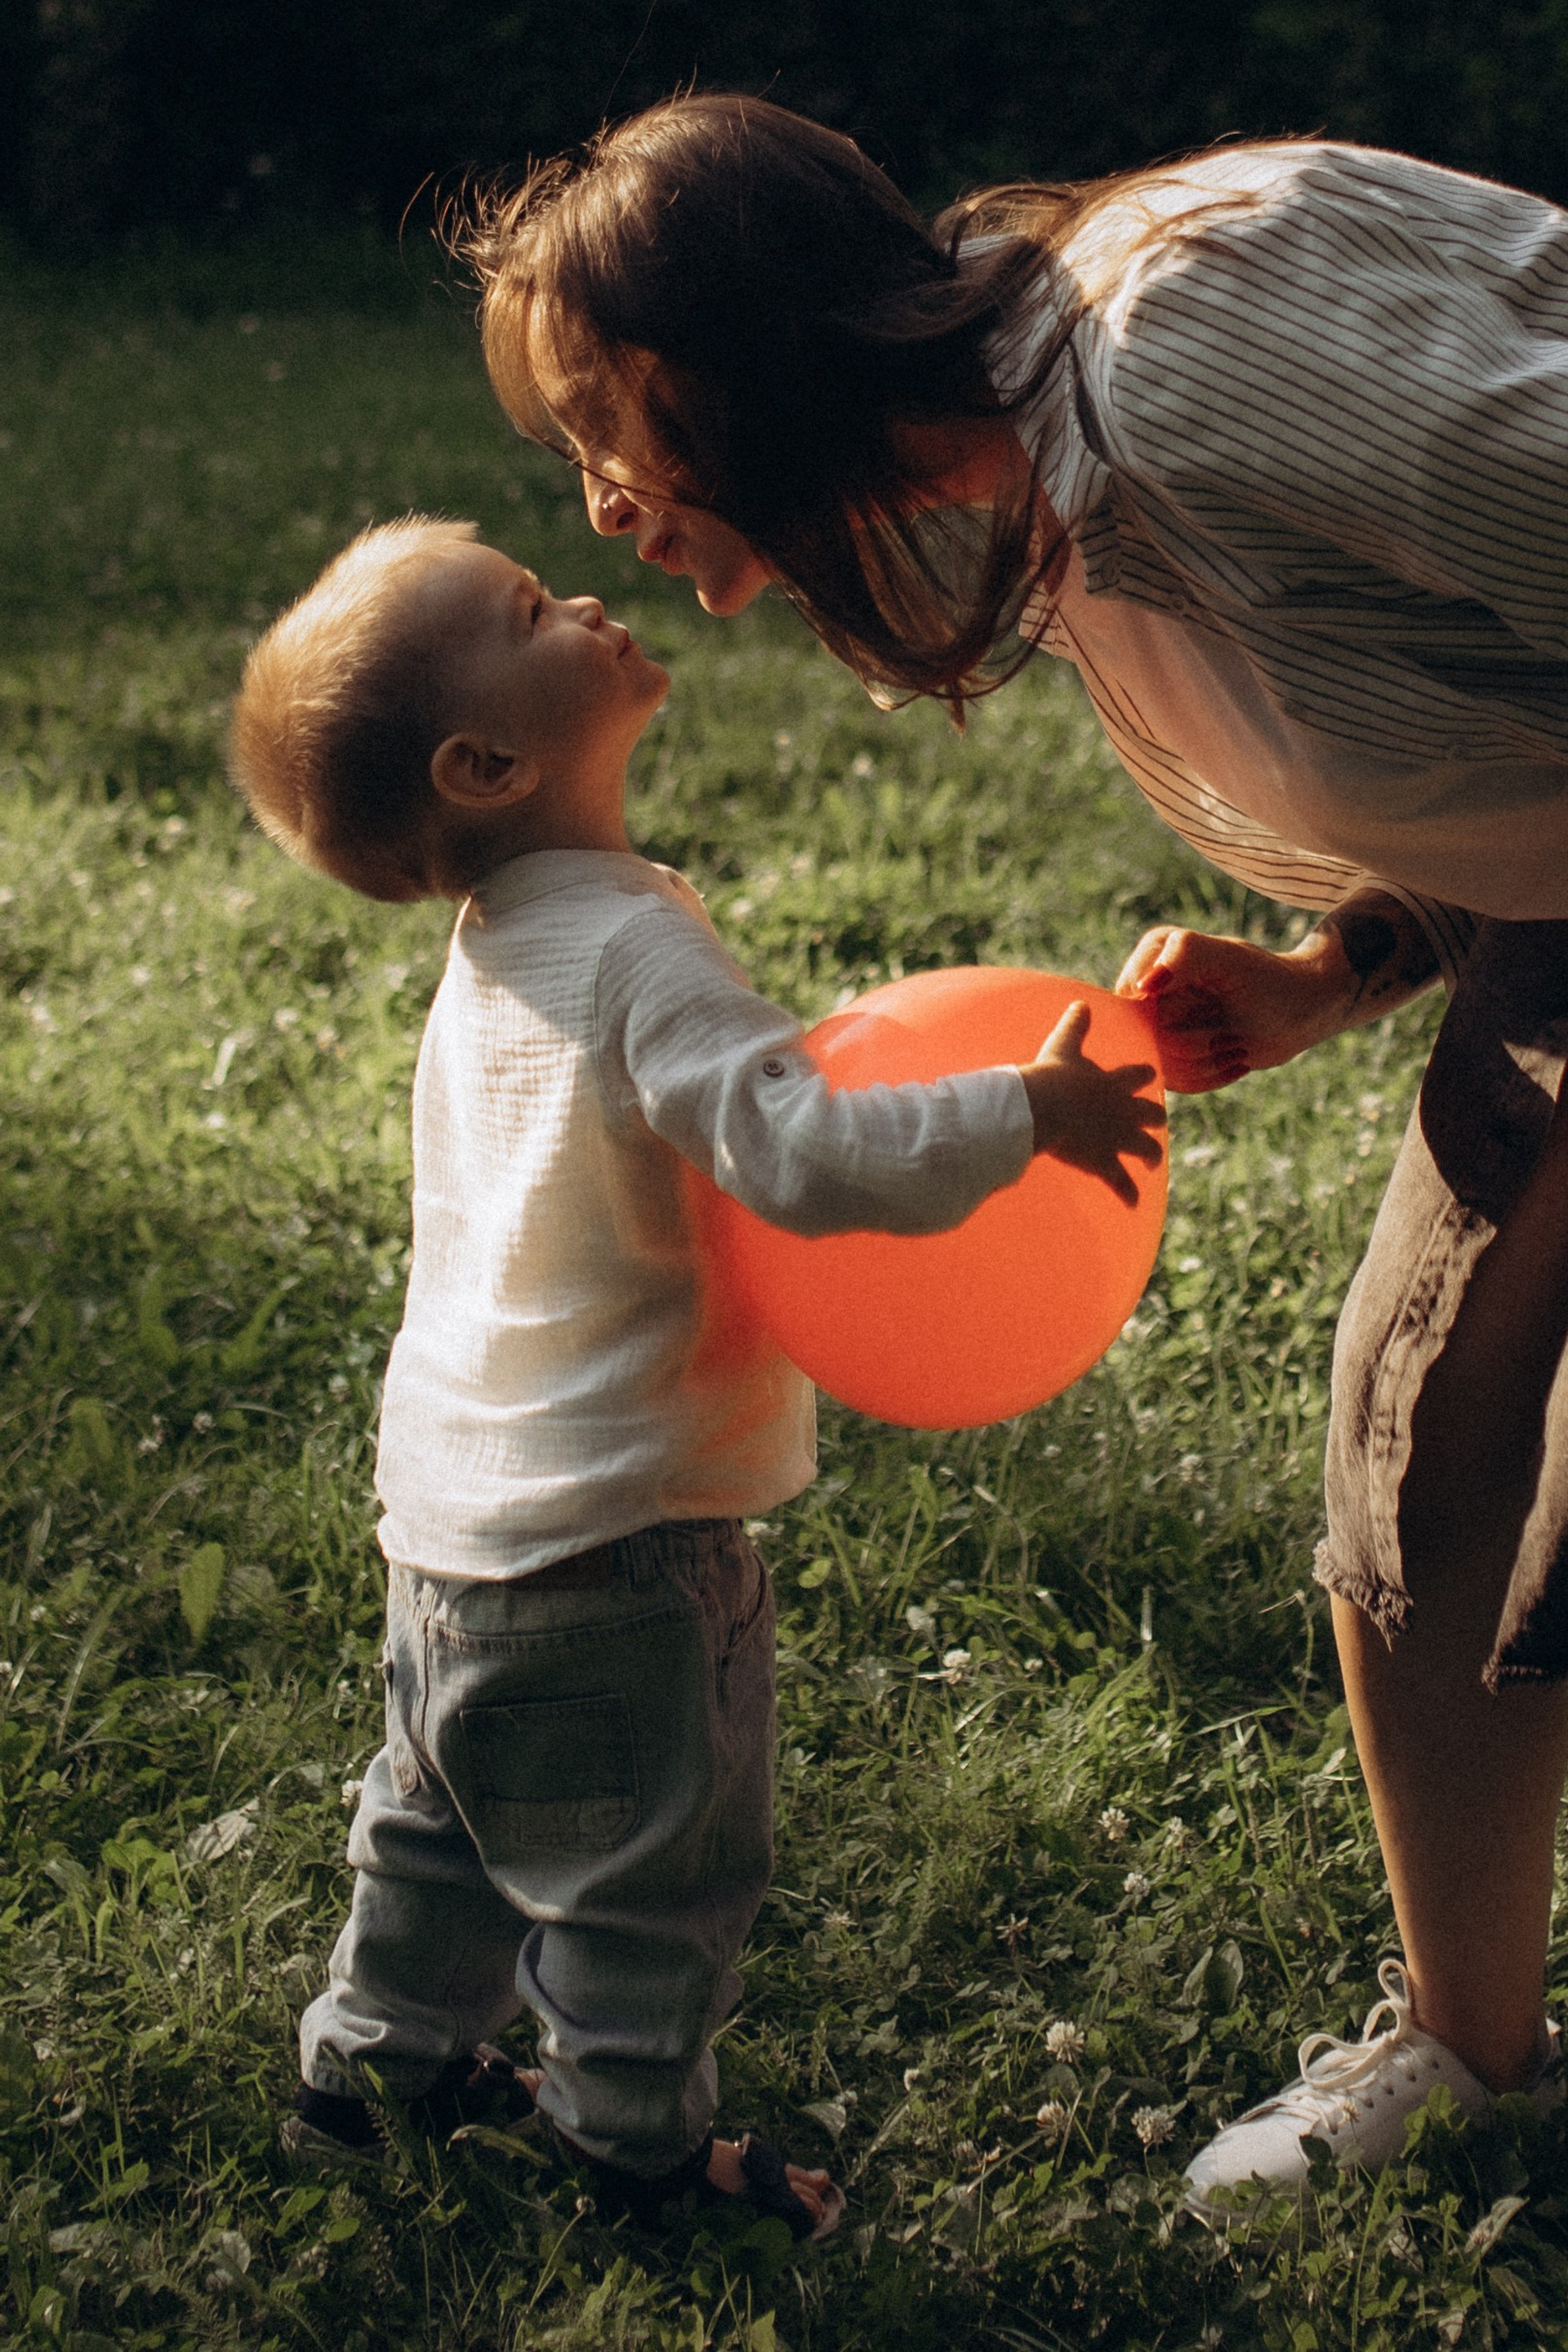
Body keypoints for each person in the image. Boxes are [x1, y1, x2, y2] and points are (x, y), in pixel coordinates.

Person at [461, 95, 1568, 2204]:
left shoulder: (1188, 344)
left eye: (603, 431)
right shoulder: (1072, 501)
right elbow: (1518, 717)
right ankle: (1465, 2052)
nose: (605, 509)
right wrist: (1347, 964)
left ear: (725, 366)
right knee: (1428, 1422)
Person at [225, 514, 1164, 2234]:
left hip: (452, 1528)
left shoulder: (500, 940)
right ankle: (635, 2152)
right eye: (530, 607)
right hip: (623, 1543)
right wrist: (1025, 1114)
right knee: (655, 1877)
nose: (580, 593)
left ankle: (375, 2073)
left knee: (436, 1825)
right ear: (490, 758)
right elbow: (796, 1152)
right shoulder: (635, 948)